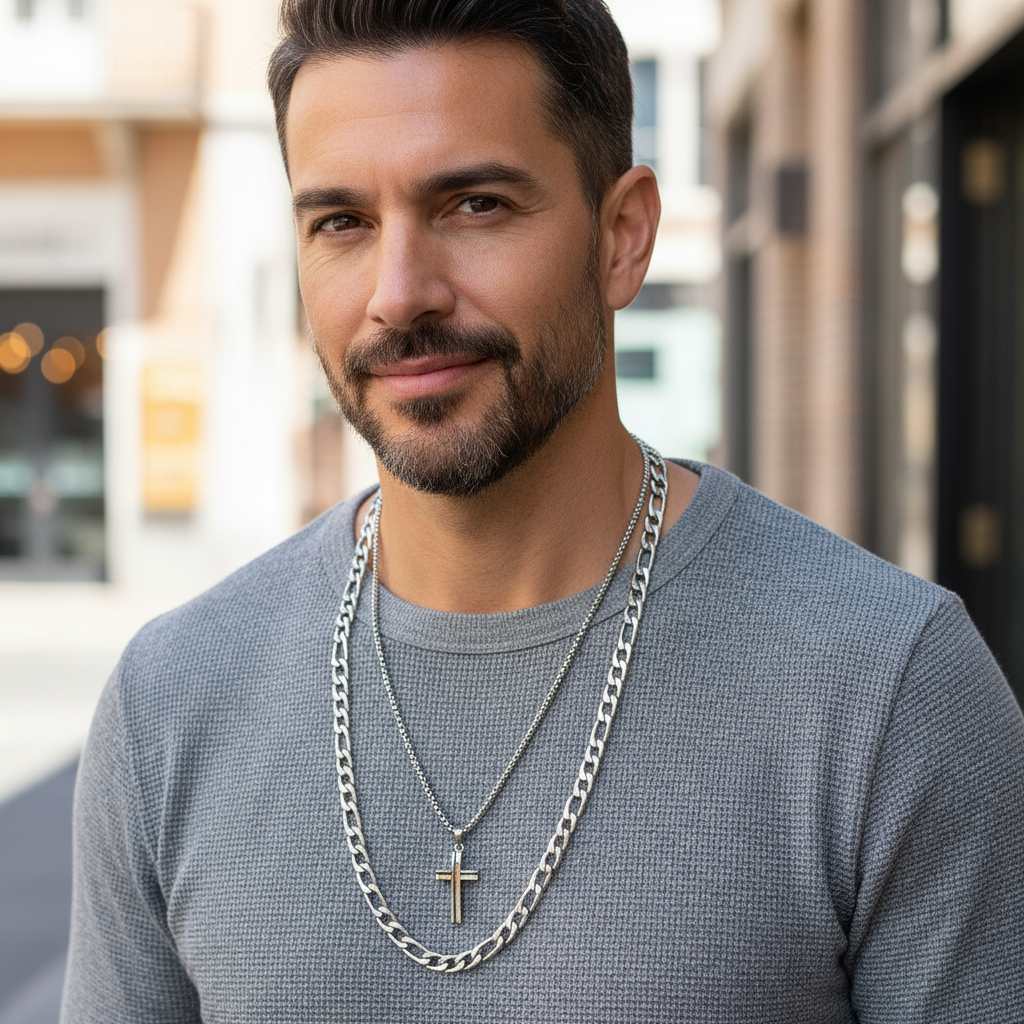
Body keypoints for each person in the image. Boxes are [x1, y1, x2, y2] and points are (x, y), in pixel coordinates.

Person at [62, 0, 1024, 1020]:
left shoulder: (889, 689)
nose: (399, 293)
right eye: (341, 221)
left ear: (622, 237)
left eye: (473, 204)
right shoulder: (169, 707)